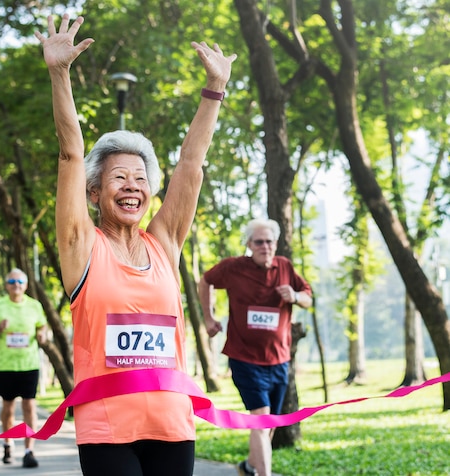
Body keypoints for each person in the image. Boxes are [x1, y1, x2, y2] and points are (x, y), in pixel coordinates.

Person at [34, 13, 236, 476]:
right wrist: (59, 74)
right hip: (107, 427)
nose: (132, 186)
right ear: (93, 193)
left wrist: (214, 90)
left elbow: (191, 163)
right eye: (119, 177)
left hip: (172, 423)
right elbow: (69, 152)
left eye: (140, 178)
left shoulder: (164, 243)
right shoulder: (81, 246)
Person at [198, 218, 312, 476]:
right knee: (261, 420)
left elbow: (307, 296)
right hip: (244, 358)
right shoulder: (233, 268)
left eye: (269, 241)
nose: (265, 246)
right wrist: (208, 317)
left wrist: (294, 296)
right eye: (258, 242)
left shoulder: (285, 267)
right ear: (249, 244)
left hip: (279, 360)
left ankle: (249, 466)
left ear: (276, 243)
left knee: (267, 425)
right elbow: (205, 281)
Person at [0, 268, 47, 468]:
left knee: (29, 406)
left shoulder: (35, 306)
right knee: (8, 409)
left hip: (29, 364)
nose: (16, 284)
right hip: (7, 366)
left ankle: (29, 450)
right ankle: (8, 443)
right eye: (11, 281)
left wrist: (43, 334)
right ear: (6, 284)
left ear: (26, 285)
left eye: (20, 281)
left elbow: (42, 326)